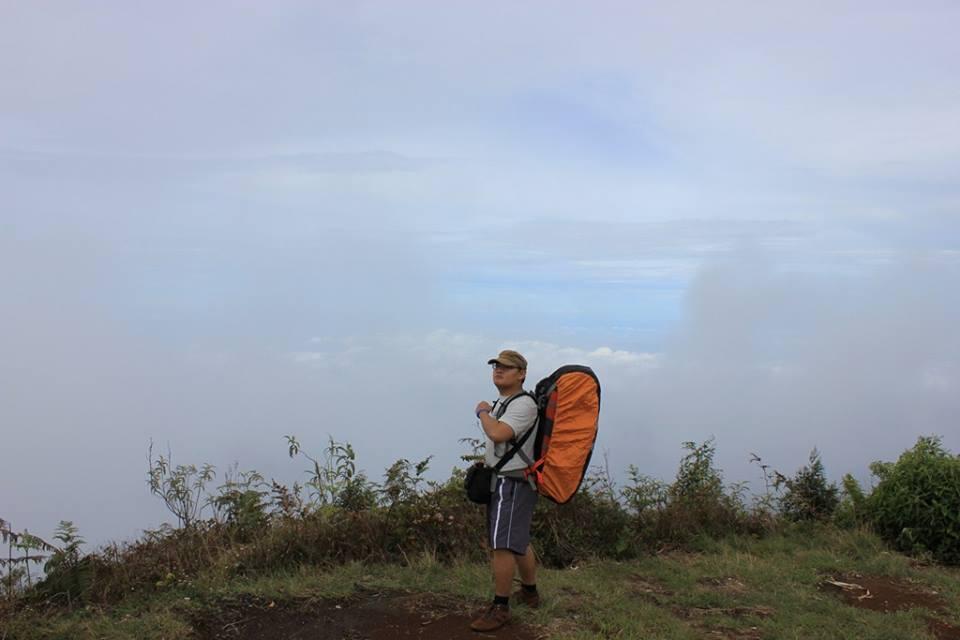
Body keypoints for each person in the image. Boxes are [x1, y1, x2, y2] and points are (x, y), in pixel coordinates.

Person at [469, 349, 541, 632]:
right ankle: (530, 593)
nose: (499, 370)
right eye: (496, 366)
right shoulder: (506, 402)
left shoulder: (523, 405)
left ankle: (500, 608)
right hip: (507, 480)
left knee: (502, 545)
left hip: (512, 483)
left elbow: (498, 433)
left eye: (507, 367)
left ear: (521, 374)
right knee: (518, 540)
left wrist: (482, 411)